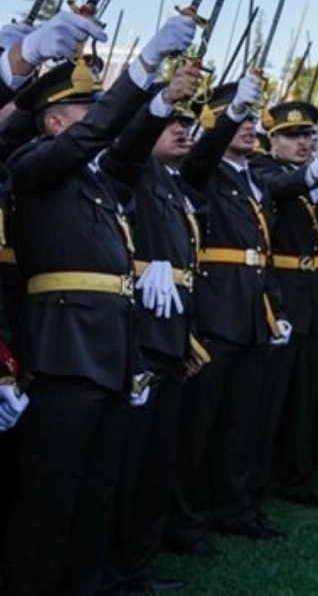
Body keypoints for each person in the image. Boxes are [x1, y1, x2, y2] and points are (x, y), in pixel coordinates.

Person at [3, 11, 195, 596]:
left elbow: (128, 147)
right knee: (51, 498)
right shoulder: (33, 165)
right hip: (64, 353)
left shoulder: (95, 180)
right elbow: (100, 135)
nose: (99, 124)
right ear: (55, 121)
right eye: (87, 114)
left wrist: (157, 96)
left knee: (96, 493)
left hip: (109, 352)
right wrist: (139, 70)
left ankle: (89, 586)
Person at [169, 74, 292, 553]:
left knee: (243, 423)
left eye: (248, 119)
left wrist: (275, 308)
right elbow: (201, 155)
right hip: (217, 312)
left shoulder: (255, 178)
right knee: (201, 426)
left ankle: (236, 508)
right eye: (234, 119)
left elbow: (263, 251)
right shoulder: (201, 169)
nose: (247, 128)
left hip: (252, 312)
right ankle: (187, 520)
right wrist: (229, 114)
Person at [104, 63, 206, 595]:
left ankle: (137, 563)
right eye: (172, 123)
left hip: (169, 336)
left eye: (189, 123)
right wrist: (157, 101)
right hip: (138, 337)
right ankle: (117, 567)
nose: (183, 129)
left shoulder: (172, 184)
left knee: (157, 459)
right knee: (130, 461)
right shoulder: (131, 171)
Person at [251, 100, 318, 508]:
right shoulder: (263, 170)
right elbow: (280, 188)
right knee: (270, 400)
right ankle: (255, 483)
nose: (303, 142)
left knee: (304, 397)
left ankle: (296, 476)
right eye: (292, 136)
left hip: (311, 295)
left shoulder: (312, 179)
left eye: (308, 135)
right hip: (281, 296)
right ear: (272, 140)